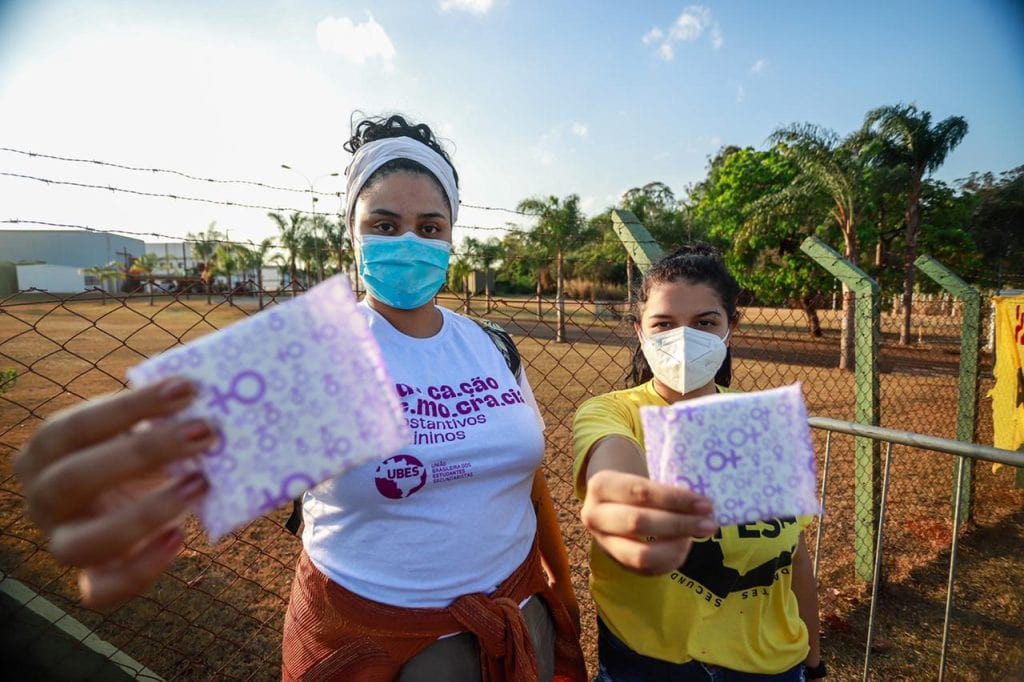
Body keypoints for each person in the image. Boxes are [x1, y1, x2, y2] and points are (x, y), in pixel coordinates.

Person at [15, 113, 586, 682]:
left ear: (451, 237)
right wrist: (114, 491)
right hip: (371, 649)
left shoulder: (493, 346)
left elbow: (526, 482)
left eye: (430, 227)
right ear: (353, 233)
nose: (408, 243)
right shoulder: (317, 355)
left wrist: (558, 583)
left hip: (518, 618)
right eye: (384, 225)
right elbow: (180, 467)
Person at [572, 244, 825, 681]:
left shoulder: (759, 421)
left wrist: (814, 662)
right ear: (639, 331)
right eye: (664, 324)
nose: (684, 338)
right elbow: (611, 464)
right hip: (649, 665)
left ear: (731, 328)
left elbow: (795, 557)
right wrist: (616, 498)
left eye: (705, 323)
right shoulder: (612, 412)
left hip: (772, 662)